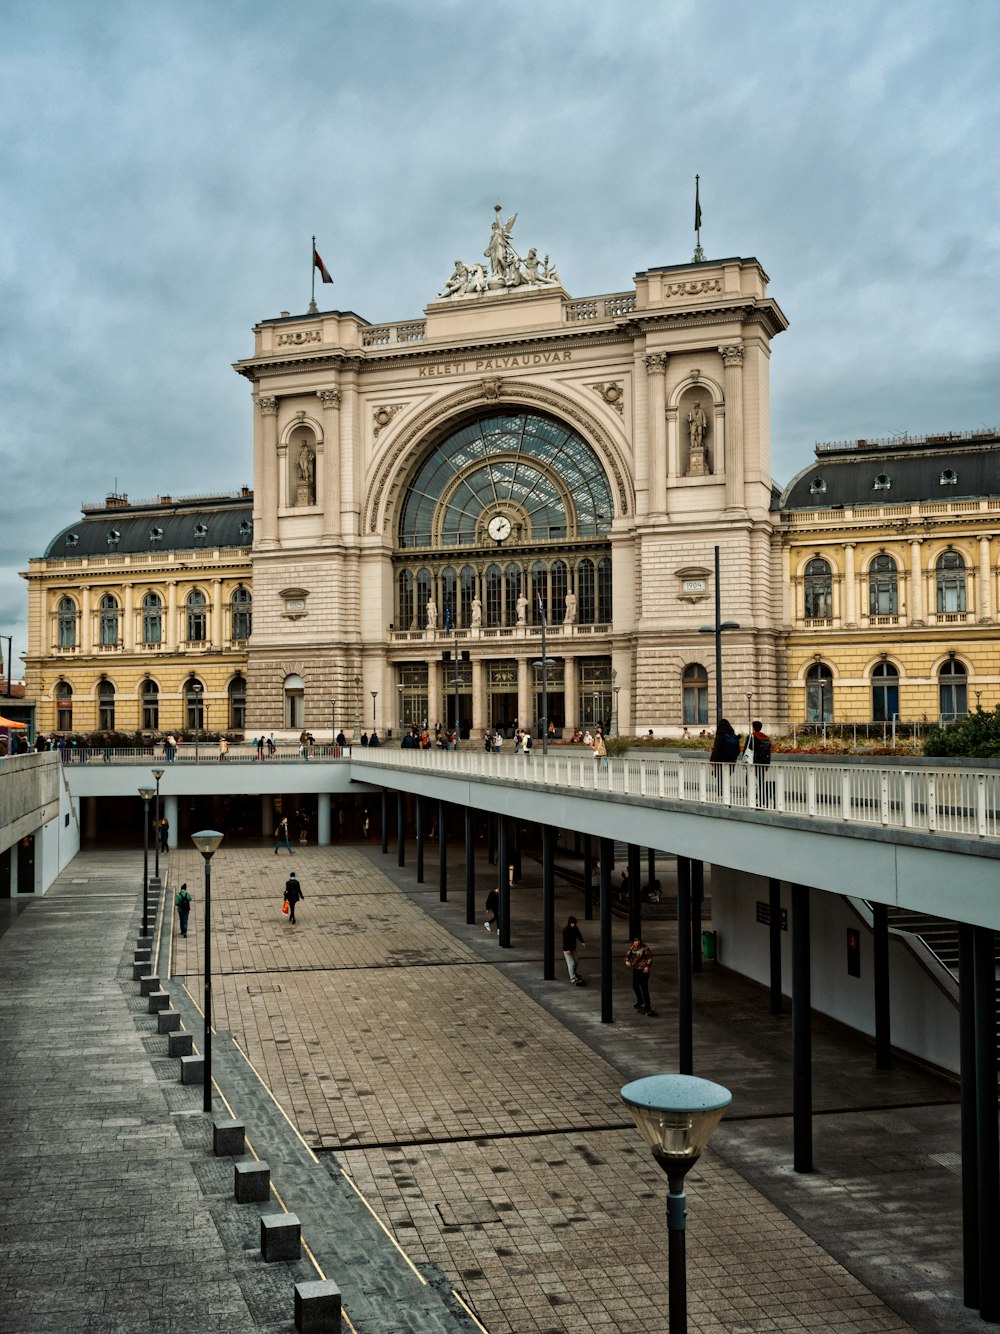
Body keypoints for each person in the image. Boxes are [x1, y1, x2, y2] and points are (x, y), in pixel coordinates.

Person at [745, 719, 773, 806]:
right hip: (763, 762)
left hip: (753, 762)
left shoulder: (751, 737)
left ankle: (754, 798)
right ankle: (763, 799)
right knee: (761, 781)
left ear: (753, 727)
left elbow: (747, 749)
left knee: (748, 780)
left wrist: (746, 760)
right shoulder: (765, 737)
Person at [625, 936, 654, 1015]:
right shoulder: (632, 948)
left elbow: (650, 958)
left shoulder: (645, 949)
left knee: (644, 987)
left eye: (637, 945)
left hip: (643, 970)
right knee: (635, 985)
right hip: (636, 969)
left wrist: (647, 966)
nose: (635, 946)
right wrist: (627, 960)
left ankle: (647, 1006)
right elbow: (628, 954)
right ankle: (640, 1000)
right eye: (634, 944)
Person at [562, 915, 585, 985]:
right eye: (572, 923)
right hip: (567, 950)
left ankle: (574, 974)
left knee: (576, 961)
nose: (573, 925)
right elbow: (565, 940)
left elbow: (578, 934)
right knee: (571, 963)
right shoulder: (566, 930)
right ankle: (572, 978)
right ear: (569, 923)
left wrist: (582, 941)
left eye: (574, 923)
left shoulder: (575, 928)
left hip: (573, 948)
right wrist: (566, 949)